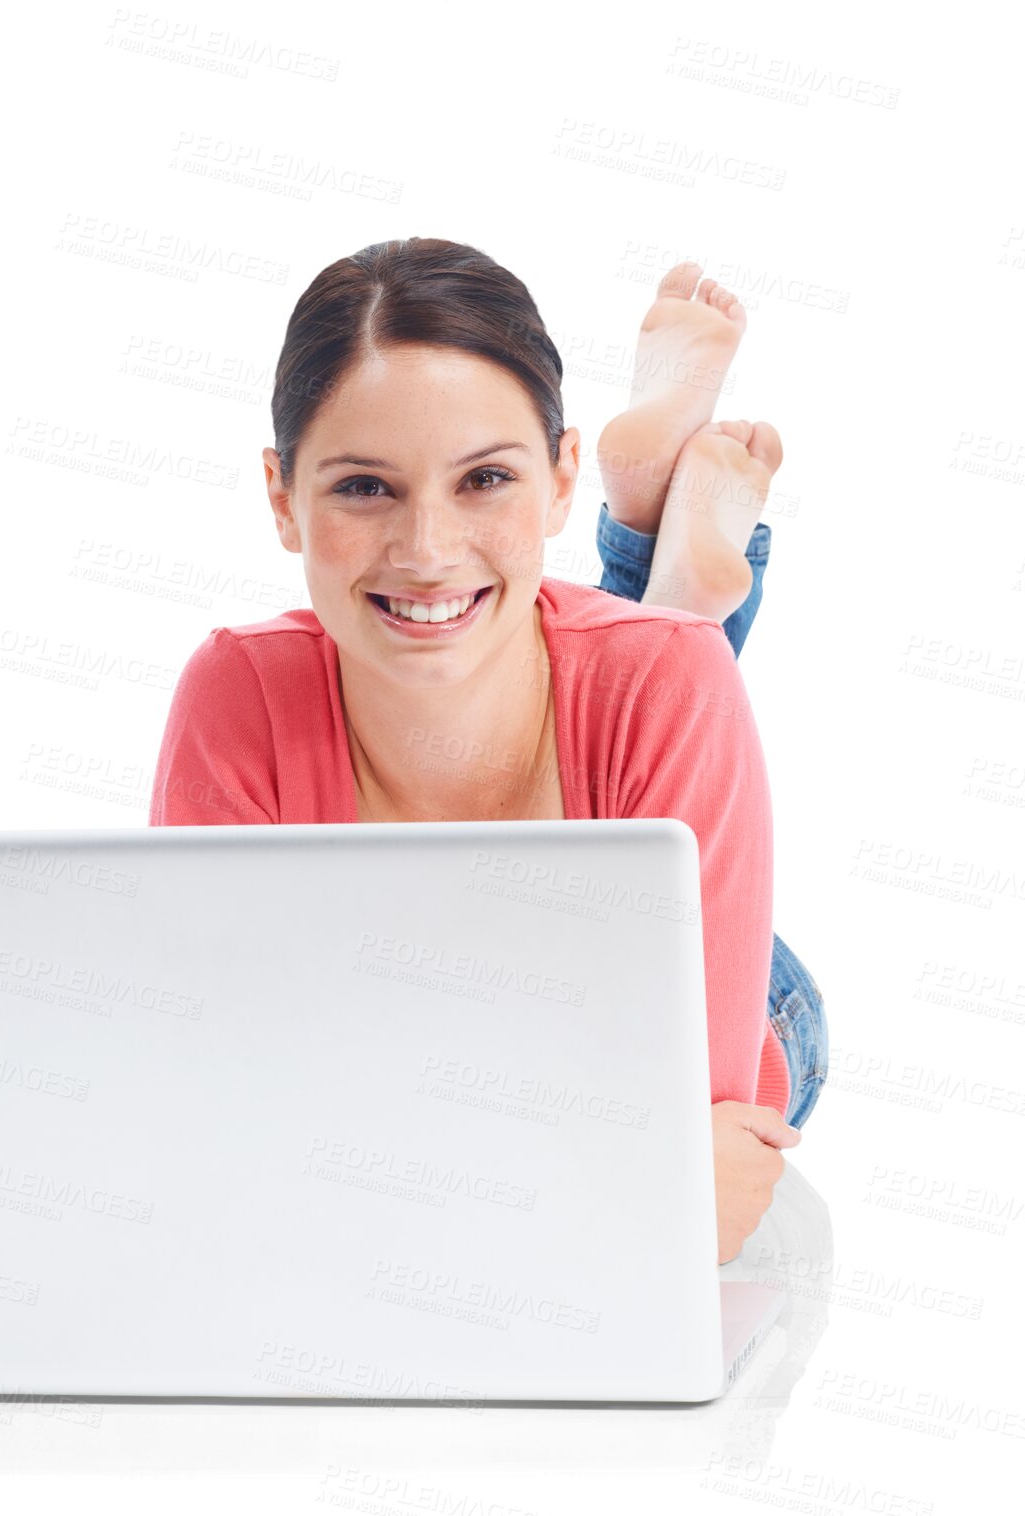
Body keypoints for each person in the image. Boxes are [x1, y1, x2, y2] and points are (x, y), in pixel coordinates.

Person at [150, 238, 828, 1263]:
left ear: (560, 477)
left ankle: (661, 589)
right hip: (580, 999)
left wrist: (363, 1151)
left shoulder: (670, 687)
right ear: (282, 498)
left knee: (675, 669)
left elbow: (713, 1172)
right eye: (364, 488)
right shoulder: (234, 694)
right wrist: (630, 1171)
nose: (424, 547)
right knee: (663, 660)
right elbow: (222, 1133)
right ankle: (657, 572)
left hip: (748, 997)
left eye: (485, 479)